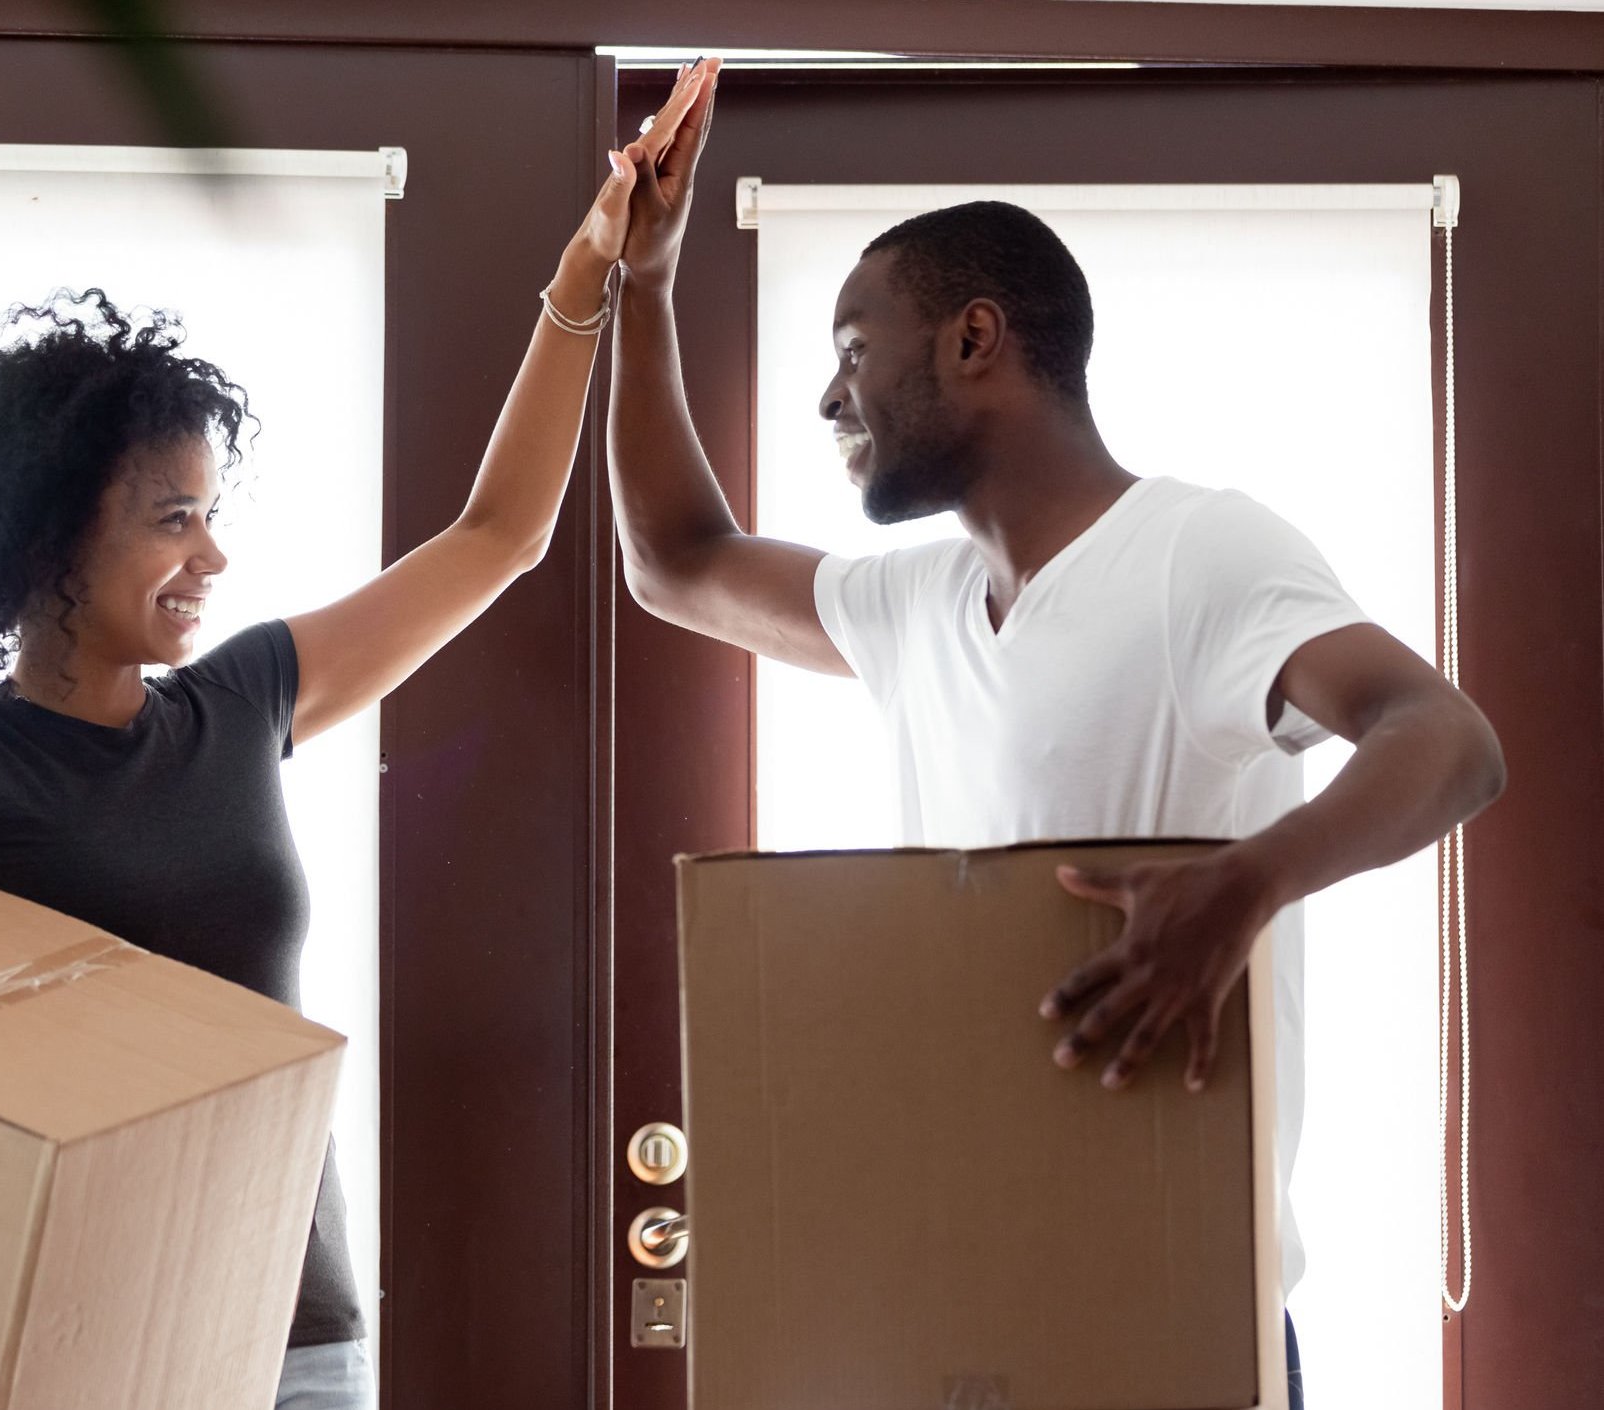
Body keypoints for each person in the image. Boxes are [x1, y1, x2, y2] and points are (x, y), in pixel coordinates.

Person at [0, 65, 716, 1410]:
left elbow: (500, 535)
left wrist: (594, 262)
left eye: (210, 511)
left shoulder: (244, 700)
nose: (213, 551)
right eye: (172, 517)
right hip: (64, 1323)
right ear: (56, 530)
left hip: (299, 1328)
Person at [608, 59, 1505, 1409]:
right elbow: (675, 561)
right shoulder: (916, 605)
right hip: (964, 1308)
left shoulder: (1199, 552)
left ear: (976, 341)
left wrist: (1249, 881)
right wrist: (644, 285)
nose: (828, 400)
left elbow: (1443, 734)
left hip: (1180, 1311)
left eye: (854, 351)